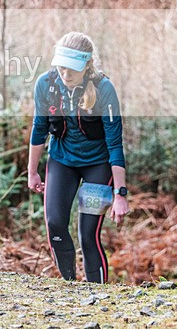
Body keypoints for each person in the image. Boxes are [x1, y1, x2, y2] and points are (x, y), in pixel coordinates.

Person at [28, 32, 129, 283]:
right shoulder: (46, 85)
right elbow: (39, 129)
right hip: (62, 161)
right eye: (61, 67)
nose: (65, 74)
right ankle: (69, 284)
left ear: (87, 65)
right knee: (55, 224)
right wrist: (32, 171)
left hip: (98, 165)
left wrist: (120, 194)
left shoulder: (104, 89)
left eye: (72, 68)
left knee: (87, 233)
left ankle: (99, 292)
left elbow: (115, 143)